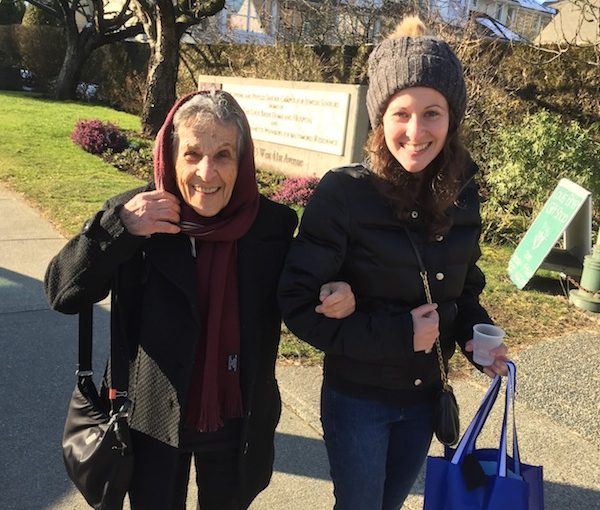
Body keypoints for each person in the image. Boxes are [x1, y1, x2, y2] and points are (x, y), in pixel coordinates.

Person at [45, 90, 355, 509]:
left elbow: (301, 294)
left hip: (238, 419)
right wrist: (118, 229)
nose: (206, 172)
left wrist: (339, 292)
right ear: (172, 157)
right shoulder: (139, 215)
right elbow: (62, 291)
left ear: (242, 161)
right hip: (151, 419)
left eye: (223, 154)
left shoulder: (271, 226)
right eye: (192, 154)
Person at [277, 16, 509, 510]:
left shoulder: (464, 195)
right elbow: (295, 302)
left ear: (452, 118)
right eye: (401, 113)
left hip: (425, 398)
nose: (416, 130)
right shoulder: (345, 193)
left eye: (432, 113)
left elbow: (464, 291)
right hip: (358, 400)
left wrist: (477, 339)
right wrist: (399, 333)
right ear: (380, 118)